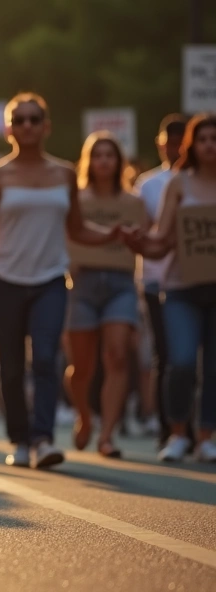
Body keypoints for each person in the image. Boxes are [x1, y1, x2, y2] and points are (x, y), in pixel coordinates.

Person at [0, 93, 124, 469]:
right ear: (8, 129)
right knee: (11, 365)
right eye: (19, 120)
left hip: (50, 279)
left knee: (46, 359)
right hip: (3, 279)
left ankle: (44, 439)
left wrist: (116, 235)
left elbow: (77, 228)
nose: (26, 125)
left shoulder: (63, 173)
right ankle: (21, 439)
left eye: (34, 119)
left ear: (46, 126)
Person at [125, 114, 216, 463]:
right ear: (192, 145)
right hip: (181, 287)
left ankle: (206, 436)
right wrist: (138, 244)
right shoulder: (179, 184)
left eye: (214, 138)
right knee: (179, 361)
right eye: (203, 138)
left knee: (213, 367)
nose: (209, 144)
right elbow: (160, 241)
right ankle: (178, 433)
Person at [64, 132, 147, 459]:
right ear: (88, 160)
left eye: (109, 155)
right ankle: (85, 415)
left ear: (118, 162)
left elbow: (146, 243)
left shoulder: (134, 203)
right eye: (97, 155)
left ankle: (108, 436)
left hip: (120, 284)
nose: (103, 161)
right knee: (81, 367)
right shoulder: (76, 199)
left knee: (116, 356)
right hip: (81, 284)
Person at [134, 114, 189, 448]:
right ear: (160, 144)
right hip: (156, 280)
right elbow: (142, 233)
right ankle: (168, 425)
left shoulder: (202, 180)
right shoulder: (148, 185)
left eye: (179, 143)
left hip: (197, 278)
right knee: (166, 355)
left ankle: (196, 428)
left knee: (193, 357)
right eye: (168, 142)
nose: (173, 148)